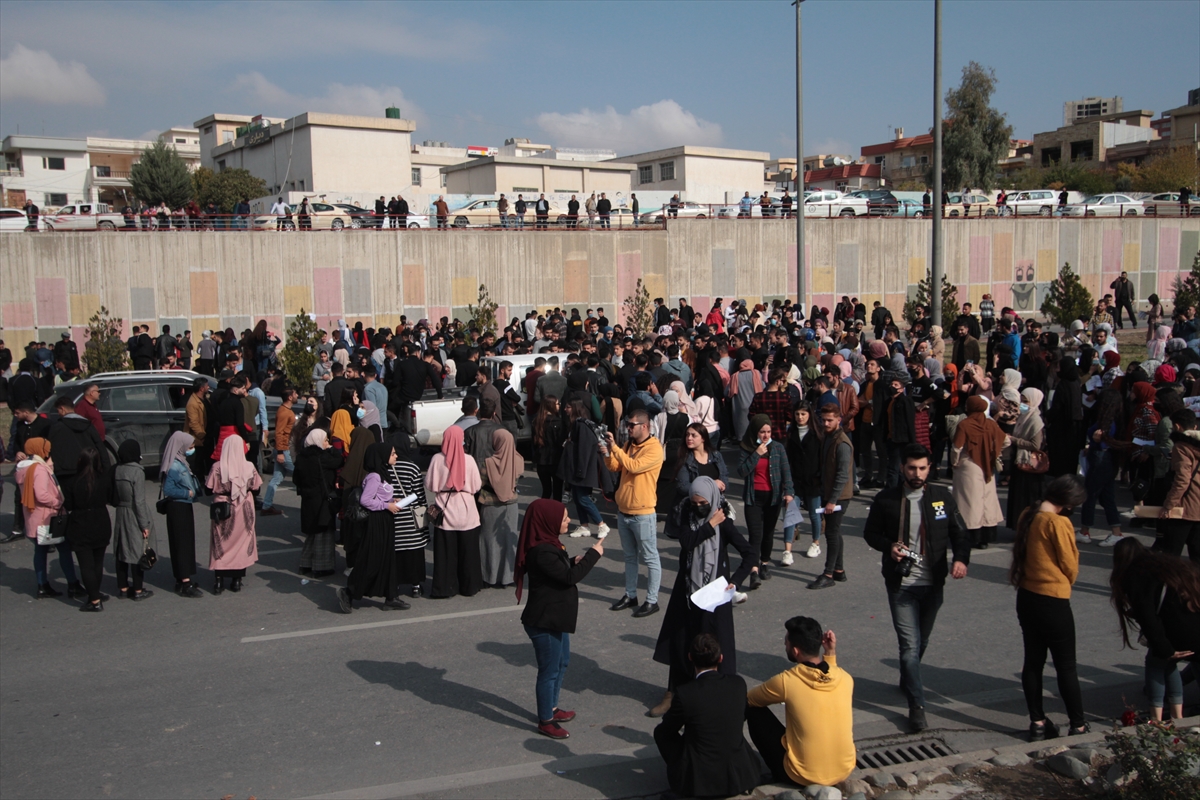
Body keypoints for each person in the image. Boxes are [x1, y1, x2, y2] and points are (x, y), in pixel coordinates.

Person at [863, 444, 970, 732]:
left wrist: (960, 559)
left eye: (922, 468)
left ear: (930, 468)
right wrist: (890, 547)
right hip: (902, 584)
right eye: (912, 468)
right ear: (902, 469)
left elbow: (960, 533)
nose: (917, 473)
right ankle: (917, 706)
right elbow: (870, 533)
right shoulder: (887, 499)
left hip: (933, 583)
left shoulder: (941, 497)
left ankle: (908, 677)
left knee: (921, 643)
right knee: (909, 646)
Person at [649, 477, 756, 717]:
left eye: (702, 503)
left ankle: (720, 696)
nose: (698, 507)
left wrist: (735, 581)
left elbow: (750, 554)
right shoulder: (690, 514)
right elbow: (687, 542)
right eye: (694, 502)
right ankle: (673, 693)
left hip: (714, 595)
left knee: (714, 643)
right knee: (680, 640)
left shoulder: (724, 523)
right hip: (687, 590)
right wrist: (709, 525)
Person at [515, 498, 604, 739]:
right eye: (564, 518)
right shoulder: (541, 551)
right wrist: (592, 555)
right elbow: (568, 578)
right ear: (548, 521)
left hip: (556, 618)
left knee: (562, 662)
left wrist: (572, 559)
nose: (568, 521)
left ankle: (552, 708)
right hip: (544, 620)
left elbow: (560, 568)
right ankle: (545, 720)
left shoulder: (548, 544)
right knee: (549, 670)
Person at [1009, 474, 1089, 740]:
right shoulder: (1058, 522)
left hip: (1027, 596)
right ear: (1068, 503)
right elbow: (1070, 564)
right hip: (1053, 599)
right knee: (1066, 666)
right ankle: (1077, 724)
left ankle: (1038, 722)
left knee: (1033, 662)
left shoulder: (1027, 514)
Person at [745, 616, 856, 787]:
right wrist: (830, 653)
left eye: (786, 643)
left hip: (801, 776)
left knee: (753, 711)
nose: (785, 645)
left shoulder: (787, 681)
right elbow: (828, 672)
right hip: (843, 770)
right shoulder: (845, 678)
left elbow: (750, 699)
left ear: (796, 651)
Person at [653, 634, 761, 800]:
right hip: (739, 777)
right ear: (721, 658)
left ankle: (681, 772)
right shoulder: (738, 684)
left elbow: (666, 730)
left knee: (661, 733)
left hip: (699, 782)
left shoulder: (685, 693)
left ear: (690, 658)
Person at [1108, 538, 1199, 723]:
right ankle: (1177, 715)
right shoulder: (1164, 565)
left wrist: (1164, 648)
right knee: (1169, 662)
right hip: (1194, 625)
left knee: (1157, 661)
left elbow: (1149, 616)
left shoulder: (1135, 576)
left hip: (1182, 633)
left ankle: (1156, 717)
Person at [601, 408, 665, 618]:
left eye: (631, 425)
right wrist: (609, 451)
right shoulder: (628, 445)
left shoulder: (654, 449)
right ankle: (631, 595)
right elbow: (616, 467)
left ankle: (652, 600)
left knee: (650, 557)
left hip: (643, 512)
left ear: (644, 426)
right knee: (630, 557)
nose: (628, 428)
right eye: (627, 425)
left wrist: (617, 450)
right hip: (624, 510)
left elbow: (634, 466)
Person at [339, 442, 410, 612]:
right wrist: (386, 506)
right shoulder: (374, 477)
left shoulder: (383, 474)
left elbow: (379, 497)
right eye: (393, 453)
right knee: (373, 558)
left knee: (388, 558)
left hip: (385, 520)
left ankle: (391, 596)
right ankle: (349, 592)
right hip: (376, 522)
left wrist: (391, 501)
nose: (396, 456)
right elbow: (366, 500)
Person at [15, 437, 83, 598]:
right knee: (64, 549)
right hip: (47, 517)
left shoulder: (23, 468)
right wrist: (58, 502)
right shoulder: (38, 469)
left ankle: (42, 585)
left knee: (40, 551)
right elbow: (42, 494)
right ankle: (73, 584)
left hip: (32, 517)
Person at [737, 413, 794, 588]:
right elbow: (742, 471)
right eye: (762, 431)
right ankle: (754, 571)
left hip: (773, 497)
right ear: (755, 431)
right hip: (753, 497)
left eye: (768, 431)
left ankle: (765, 563)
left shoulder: (777, 448)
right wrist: (756, 454)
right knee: (755, 535)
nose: (766, 435)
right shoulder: (747, 448)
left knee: (768, 533)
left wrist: (789, 492)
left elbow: (786, 472)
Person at [427, 426, 483, 598]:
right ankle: (469, 586)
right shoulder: (469, 460)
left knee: (446, 553)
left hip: (445, 509)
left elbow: (430, 484)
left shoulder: (437, 459)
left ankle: (445, 588)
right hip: (467, 509)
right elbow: (476, 486)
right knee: (468, 551)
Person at [206, 434, 261, 594]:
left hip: (222, 509)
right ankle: (237, 581)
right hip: (244, 509)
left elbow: (208, 489)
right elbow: (256, 488)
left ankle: (218, 581)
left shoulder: (218, 467)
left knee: (221, 542)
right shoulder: (249, 466)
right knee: (241, 543)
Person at [808, 404, 854, 589]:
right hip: (829, 492)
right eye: (823, 420)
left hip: (839, 496)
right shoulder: (829, 437)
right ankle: (839, 570)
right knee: (835, 531)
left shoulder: (842, 443)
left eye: (830, 420)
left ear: (838, 420)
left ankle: (828, 573)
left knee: (832, 533)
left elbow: (843, 475)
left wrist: (833, 501)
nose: (826, 423)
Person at [952, 396, 1006, 549]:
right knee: (987, 500)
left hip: (969, 464)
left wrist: (955, 463)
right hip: (987, 465)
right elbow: (1005, 440)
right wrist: (994, 451)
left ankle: (971, 535)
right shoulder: (991, 423)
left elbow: (957, 448)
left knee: (969, 501)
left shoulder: (964, 424)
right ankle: (985, 536)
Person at [65, 447, 114, 612]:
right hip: (101, 520)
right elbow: (112, 498)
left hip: (81, 523)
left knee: (86, 564)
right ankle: (96, 593)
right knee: (97, 562)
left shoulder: (73, 482)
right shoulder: (104, 479)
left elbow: (68, 505)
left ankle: (94, 599)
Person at [292, 429, 343, 578]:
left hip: (308, 499)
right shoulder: (323, 457)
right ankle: (322, 567)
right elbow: (338, 460)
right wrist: (331, 448)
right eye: (325, 439)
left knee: (311, 534)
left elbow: (296, 479)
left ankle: (305, 563)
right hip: (322, 499)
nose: (326, 442)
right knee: (324, 533)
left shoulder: (302, 457)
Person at [386, 430, 429, 598]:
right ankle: (416, 586)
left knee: (396, 554)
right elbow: (419, 495)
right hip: (411, 521)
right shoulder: (412, 467)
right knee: (414, 553)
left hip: (393, 518)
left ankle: (395, 584)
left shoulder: (387, 465)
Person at [159, 432, 203, 597]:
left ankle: (182, 578)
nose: (191, 450)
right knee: (182, 544)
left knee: (183, 543)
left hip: (182, 508)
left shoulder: (179, 461)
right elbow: (168, 490)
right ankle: (185, 582)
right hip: (178, 508)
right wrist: (187, 493)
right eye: (190, 447)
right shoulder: (174, 466)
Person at [559, 399, 611, 538]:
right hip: (581, 468)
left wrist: (580, 470)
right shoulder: (581, 424)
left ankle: (601, 524)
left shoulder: (580, 425)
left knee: (582, 498)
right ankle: (584, 525)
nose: (565, 409)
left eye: (568, 406)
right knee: (578, 497)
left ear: (574, 409)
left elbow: (584, 449)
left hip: (582, 469)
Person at [112, 441, 156, 601]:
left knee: (121, 550)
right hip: (133, 513)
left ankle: (123, 588)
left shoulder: (118, 469)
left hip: (121, 512)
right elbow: (139, 501)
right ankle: (138, 589)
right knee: (138, 551)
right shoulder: (137, 472)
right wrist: (144, 524)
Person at [480, 426, 522, 588]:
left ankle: (489, 576)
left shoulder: (488, 463)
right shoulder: (517, 459)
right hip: (511, 506)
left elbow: (480, 483)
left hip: (491, 505)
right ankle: (508, 577)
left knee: (489, 541)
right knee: (508, 539)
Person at [1157, 408, 1200, 561]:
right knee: (1196, 556)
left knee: (1171, 555)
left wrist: (1168, 505)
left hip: (1184, 507)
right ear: (1194, 426)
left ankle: (1174, 584)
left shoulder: (1182, 447)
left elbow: (1182, 479)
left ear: (1177, 426)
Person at [784, 403, 823, 563]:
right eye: (797, 414)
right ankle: (787, 552)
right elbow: (788, 458)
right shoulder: (791, 432)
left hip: (813, 480)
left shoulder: (817, 434)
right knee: (790, 515)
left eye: (803, 414)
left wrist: (820, 477)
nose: (800, 417)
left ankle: (816, 542)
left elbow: (821, 458)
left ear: (809, 415)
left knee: (814, 515)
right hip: (795, 480)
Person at [1005, 388, 1047, 527]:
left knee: (1027, 497)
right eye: (1021, 401)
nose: (1023, 404)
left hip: (1029, 465)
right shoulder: (1023, 417)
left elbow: (1035, 445)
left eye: (1026, 401)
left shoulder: (1035, 420)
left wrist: (1014, 440)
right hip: (1019, 462)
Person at [261, 387, 297, 516]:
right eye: (295, 393)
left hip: (282, 448)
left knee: (276, 478)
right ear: (290, 397)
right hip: (283, 449)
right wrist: (281, 451)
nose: (297, 395)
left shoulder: (286, 411)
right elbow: (279, 432)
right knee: (299, 474)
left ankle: (266, 505)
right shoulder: (284, 412)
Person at [533, 395, 565, 500]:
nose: (559, 405)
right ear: (551, 405)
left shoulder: (537, 421)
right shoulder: (558, 422)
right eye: (557, 403)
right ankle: (557, 514)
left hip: (541, 460)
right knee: (557, 491)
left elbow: (533, 442)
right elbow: (559, 442)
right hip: (555, 460)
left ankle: (544, 513)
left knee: (546, 491)